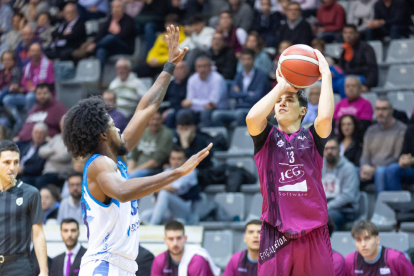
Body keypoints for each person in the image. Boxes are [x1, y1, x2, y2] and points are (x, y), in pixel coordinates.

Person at [62, 26, 211, 276]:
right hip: (104, 265)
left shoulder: (116, 155)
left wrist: (169, 67)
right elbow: (121, 192)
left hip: (122, 266)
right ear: (102, 135)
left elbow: (146, 108)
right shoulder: (98, 164)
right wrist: (177, 173)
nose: (118, 127)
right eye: (112, 125)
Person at [245, 48, 335, 275]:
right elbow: (252, 118)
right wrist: (282, 87)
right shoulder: (266, 138)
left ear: (303, 110)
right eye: (279, 102)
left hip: (313, 231)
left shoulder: (313, 138)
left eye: (289, 100)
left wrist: (326, 75)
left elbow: (325, 117)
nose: (282, 103)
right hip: (275, 232)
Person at [0, 140, 48, 276]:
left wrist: (44, 271)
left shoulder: (30, 193)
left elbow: (38, 234)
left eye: (16, 162)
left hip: (18, 265)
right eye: (7, 162)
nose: (12, 167)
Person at [141, 145, 200, 225]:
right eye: (173, 158)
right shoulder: (167, 171)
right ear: (170, 160)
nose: (176, 161)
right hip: (168, 210)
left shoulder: (190, 171)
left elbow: (173, 189)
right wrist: (159, 188)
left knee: (165, 194)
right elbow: (156, 188)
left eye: (179, 159)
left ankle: (153, 226)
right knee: (145, 215)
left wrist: (158, 188)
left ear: (185, 160)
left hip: (185, 209)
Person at [212, 48, 270, 128]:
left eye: (249, 59)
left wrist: (240, 94)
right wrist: (249, 94)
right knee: (216, 115)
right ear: (240, 61)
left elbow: (257, 97)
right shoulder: (238, 75)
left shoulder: (261, 76)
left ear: (254, 60)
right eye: (244, 59)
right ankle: (225, 139)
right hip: (238, 108)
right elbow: (232, 93)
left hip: (255, 110)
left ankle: (243, 139)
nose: (246, 62)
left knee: (240, 114)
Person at [360, 98, 407, 195]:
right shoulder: (371, 130)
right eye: (377, 109)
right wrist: (365, 167)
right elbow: (365, 155)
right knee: (351, 170)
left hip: (385, 168)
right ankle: (349, 207)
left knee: (380, 172)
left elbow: (396, 157)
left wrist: (375, 169)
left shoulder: (401, 129)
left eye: (384, 109)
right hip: (371, 168)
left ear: (391, 110)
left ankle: (380, 207)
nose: (380, 112)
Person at [151, 220, 220, 276]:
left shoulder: (196, 260)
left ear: (185, 239)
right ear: (165, 240)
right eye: (171, 239)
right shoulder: (160, 260)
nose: (175, 243)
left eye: (179, 238)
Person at [345, 221, 414, 275]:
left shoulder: (395, 258)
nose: (363, 244)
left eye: (367, 239)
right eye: (358, 240)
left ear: (377, 240)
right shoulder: (350, 261)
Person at [322, 137, 360, 229]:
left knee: (326, 218)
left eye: (333, 148)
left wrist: (326, 208)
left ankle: (328, 243)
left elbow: (348, 196)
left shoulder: (348, 168)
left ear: (339, 150)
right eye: (326, 149)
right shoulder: (318, 167)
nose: (329, 151)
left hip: (344, 209)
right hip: (324, 207)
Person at [86, 0, 135, 69]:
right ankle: (99, 76)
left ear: (124, 8)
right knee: (101, 51)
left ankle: (92, 49)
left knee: (111, 37)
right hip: (112, 48)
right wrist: (94, 42)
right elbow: (101, 32)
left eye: (118, 7)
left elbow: (123, 35)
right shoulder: (110, 19)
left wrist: (95, 44)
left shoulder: (128, 20)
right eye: (113, 7)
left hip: (125, 47)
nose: (115, 10)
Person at [181, 56, 227, 127]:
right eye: (199, 66)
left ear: (210, 66)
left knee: (205, 113)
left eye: (205, 66)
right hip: (197, 110)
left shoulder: (217, 79)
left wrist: (193, 102)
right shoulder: (192, 79)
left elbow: (212, 104)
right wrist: (198, 103)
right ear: (196, 68)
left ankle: (207, 136)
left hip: (217, 109)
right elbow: (188, 103)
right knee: (183, 113)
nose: (202, 69)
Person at [135, 14, 185, 78]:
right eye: (167, 24)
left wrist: (158, 60)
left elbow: (176, 55)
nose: (169, 26)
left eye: (172, 24)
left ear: (177, 24)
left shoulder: (182, 37)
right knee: (139, 68)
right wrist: (150, 60)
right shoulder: (161, 37)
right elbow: (153, 51)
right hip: (157, 63)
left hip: (169, 62)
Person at [128, 110, 173, 178]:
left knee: (133, 175)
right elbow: (134, 156)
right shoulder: (142, 131)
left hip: (153, 170)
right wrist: (129, 171)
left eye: (158, 119)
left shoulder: (166, 134)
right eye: (152, 119)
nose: (155, 122)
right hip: (136, 166)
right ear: (148, 120)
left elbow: (155, 162)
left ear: (162, 120)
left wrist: (133, 171)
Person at [339, 24, 378, 90]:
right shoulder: (345, 48)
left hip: (362, 77)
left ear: (357, 34)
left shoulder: (366, 47)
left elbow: (372, 67)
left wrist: (368, 85)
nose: (348, 36)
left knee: (343, 83)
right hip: (346, 76)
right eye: (345, 33)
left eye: (351, 33)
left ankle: (346, 100)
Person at [38, 117, 72, 188]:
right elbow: (41, 151)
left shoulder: (72, 139)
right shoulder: (56, 138)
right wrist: (53, 151)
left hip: (61, 173)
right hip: (47, 172)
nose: (64, 125)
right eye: (62, 123)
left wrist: (48, 156)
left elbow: (64, 156)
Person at [381, 125, 414, 192]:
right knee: (388, 170)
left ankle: (397, 201)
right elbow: (404, 151)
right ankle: (385, 201)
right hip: (410, 167)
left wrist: (412, 160)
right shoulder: (411, 129)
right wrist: (403, 158)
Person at [16, 122, 47, 186]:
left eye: (41, 133)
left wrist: (23, 169)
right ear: (32, 133)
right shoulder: (27, 146)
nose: (38, 135)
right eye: (36, 132)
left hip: (29, 175)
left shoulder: (45, 148)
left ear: (46, 135)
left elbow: (38, 167)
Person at [164, 61, 190, 128]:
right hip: (171, 109)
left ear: (187, 69)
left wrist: (171, 110)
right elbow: (164, 97)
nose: (179, 71)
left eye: (181, 68)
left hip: (185, 109)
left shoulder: (190, 82)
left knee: (171, 116)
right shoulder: (171, 84)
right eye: (176, 68)